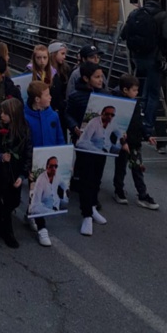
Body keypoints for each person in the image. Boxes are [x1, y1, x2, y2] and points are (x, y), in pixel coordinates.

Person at [121, 0, 167, 137]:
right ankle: (148, 127)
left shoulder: (135, 13)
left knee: (136, 90)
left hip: (136, 58)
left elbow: (123, 34)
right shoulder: (162, 15)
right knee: (153, 94)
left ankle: (135, 120)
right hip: (154, 58)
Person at [66, 64, 110, 237]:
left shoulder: (106, 95)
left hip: (101, 145)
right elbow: (68, 114)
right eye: (97, 77)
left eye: (102, 76)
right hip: (84, 144)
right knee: (85, 178)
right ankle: (86, 215)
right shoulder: (76, 96)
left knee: (97, 176)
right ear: (86, 79)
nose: (101, 80)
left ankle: (92, 206)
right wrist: (74, 127)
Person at [0, 98, 32, 248]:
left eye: (5, 113)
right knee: (1, 199)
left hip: (15, 172)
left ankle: (0, 221)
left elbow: (28, 153)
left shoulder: (24, 129)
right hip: (0, 173)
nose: (1, 115)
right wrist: (0, 156)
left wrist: (23, 174)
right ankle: (7, 231)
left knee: (14, 201)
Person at [111, 75, 159, 210]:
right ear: (125, 90)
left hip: (135, 142)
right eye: (134, 90)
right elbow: (118, 126)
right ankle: (118, 189)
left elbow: (138, 121)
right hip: (123, 143)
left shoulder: (135, 103)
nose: (136, 93)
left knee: (137, 168)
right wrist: (122, 141)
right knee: (121, 167)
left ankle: (142, 194)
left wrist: (147, 135)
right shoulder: (119, 104)